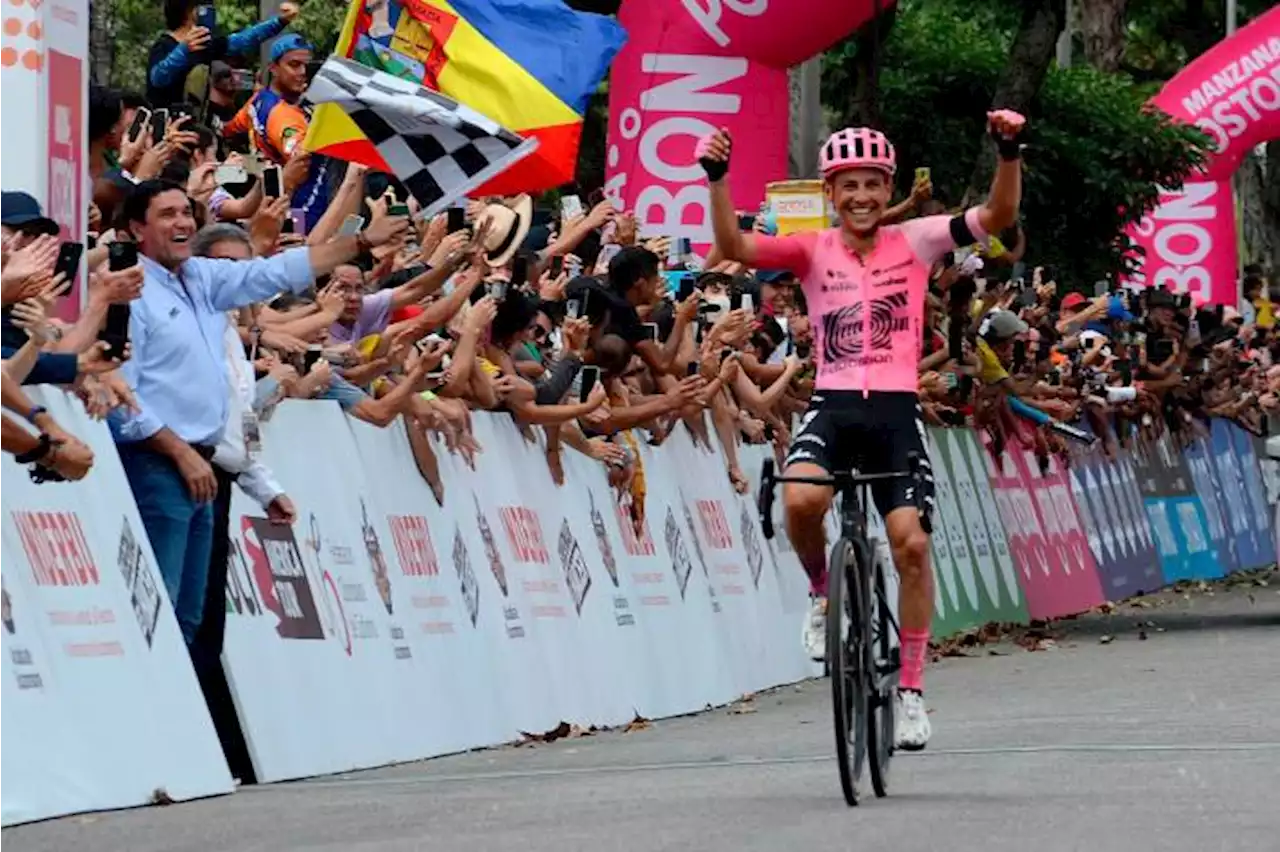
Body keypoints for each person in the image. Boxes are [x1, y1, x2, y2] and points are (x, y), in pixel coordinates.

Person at [697, 110, 1026, 751]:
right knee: (799, 498)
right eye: (848, 184)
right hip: (835, 405)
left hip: (896, 412)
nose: (862, 196)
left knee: (909, 546)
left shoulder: (920, 239)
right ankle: (823, 593)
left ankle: (909, 691)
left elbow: (997, 217)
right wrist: (717, 178)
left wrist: (1009, 151)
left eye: (873, 183)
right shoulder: (810, 248)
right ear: (830, 192)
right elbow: (735, 249)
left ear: (888, 186)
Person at [108, 178, 409, 646]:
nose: (182, 222)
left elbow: (279, 271)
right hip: (158, 464)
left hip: (203, 466)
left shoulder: (204, 279)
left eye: (186, 212)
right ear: (135, 229)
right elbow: (119, 396)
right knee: (156, 609)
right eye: (166, 215)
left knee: (189, 618)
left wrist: (363, 241)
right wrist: (179, 453)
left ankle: (176, 717)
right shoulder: (129, 291)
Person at [229, 34, 333, 233]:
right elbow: (302, 160)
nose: (303, 72)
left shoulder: (258, 99)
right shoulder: (284, 116)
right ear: (273, 68)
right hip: (302, 212)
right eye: (294, 65)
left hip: (270, 204)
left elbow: (230, 129)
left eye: (307, 66)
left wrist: (252, 161)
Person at [147, 0, 297, 111]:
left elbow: (245, 39)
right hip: (166, 132)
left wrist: (280, 21)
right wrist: (184, 50)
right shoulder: (165, 44)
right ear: (192, 12)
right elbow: (158, 78)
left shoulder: (206, 44)